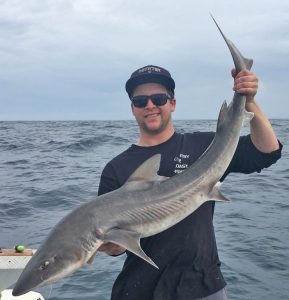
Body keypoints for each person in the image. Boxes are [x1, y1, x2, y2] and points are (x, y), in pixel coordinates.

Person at [97, 65, 282, 300]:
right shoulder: (116, 168)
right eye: (141, 100)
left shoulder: (204, 147)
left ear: (172, 104)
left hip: (203, 285)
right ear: (133, 109)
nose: (150, 105)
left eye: (159, 98)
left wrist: (250, 101)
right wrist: (110, 246)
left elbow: (266, 153)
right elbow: (117, 247)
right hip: (140, 290)